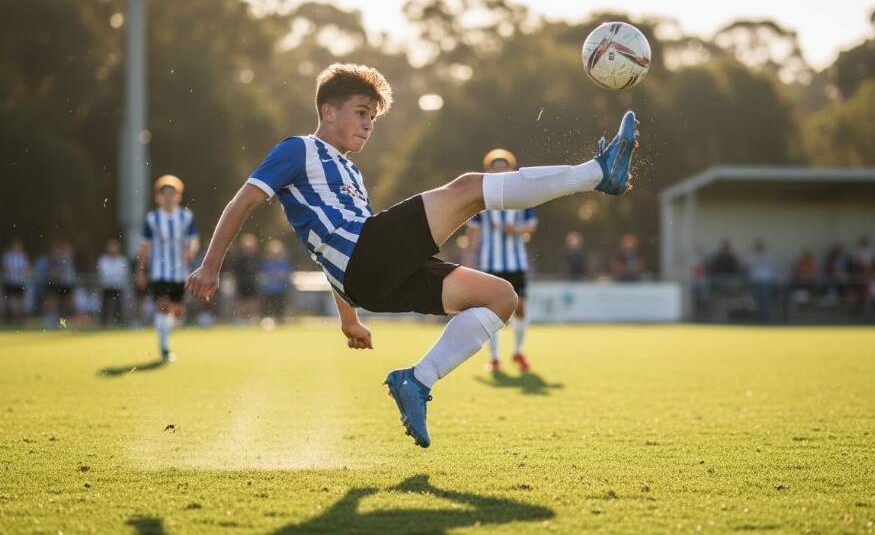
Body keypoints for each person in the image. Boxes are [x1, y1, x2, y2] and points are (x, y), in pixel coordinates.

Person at [186, 63, 640, 448]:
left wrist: (348, 318)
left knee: (501, 298)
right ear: (327, 110)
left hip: (368, 277)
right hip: (367, 259)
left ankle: (417, 381)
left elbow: (333, 253)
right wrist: (211, 264)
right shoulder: (298, 149)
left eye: (372, 118)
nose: (367, 124)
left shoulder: (350, 172)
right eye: (361, 113)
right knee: (467, 189)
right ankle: (597, 173)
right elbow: (243, 200)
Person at [465, 148, 538, 373]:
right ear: (489, 170)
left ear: (511, 169)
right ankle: (494, 358)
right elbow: (472, 232)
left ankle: (518, 351)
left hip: (515, 263)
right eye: (495, 168)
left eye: (504, 167)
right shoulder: (482, 199)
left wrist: (513, 230)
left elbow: (530, 227)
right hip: (490, 264)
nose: (500, 171)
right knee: (492, 313)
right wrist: (468, 258)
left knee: (521, 308)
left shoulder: (521, 197)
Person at [136, 175, 199, 361]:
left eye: (173, 193)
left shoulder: (186, 217)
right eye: (166, 193)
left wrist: (191, 251)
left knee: (177, 311)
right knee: (163, 307)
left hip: (180, 272)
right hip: (159, 271)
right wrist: (141, 270)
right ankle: (164, 347)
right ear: (159, 197)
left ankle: (165, 334)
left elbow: (193, 241)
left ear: (178, 196)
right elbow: (145, 246)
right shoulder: (152, 218)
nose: (169, 197)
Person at [97, 239, 129, 326]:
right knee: (104, 305)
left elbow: (123, 273)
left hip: (118, 286)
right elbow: (103, 272)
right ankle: (103, 322)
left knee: (119, 306)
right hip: (106, 285)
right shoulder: (103, 259)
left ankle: (119, 322)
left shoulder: (122, 260)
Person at [231, 233, 261, 324]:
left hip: (252, 282)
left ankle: (252, 320)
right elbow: (235, 272)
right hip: (242, 283)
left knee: (252, 302)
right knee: (241, 302)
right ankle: (240, 321)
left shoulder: (256, 257)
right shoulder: (239, 258)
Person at [259, 239, 291, 323]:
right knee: (266, 310)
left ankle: (279, 322)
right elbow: (264, 275)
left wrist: (277, 275)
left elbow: (285, 275)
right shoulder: (266, 263)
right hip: (268, 290)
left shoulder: (283, 263)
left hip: (280, 290)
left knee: (279, 310)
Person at [2, 239, 30, 325]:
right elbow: (5, 268)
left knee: (20, 301)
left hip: (20, 282)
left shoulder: (23, 256)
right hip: (10, 281)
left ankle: (20, 319)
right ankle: (7, 318)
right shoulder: (7, 256)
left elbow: (27, 268)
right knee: (8, 300)